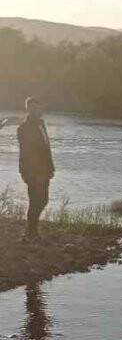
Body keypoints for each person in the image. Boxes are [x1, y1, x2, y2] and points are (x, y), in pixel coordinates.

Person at [16, 98, 55, 238]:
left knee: (43, 200)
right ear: (29, 110)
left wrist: (51, 167)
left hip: (44, 170)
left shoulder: (41, 124)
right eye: (34, 108)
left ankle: (31, 230)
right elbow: (26, 154)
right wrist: (28, 174)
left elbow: (46, 148)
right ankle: (30, 231)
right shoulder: (23, 129)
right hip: (32, 172)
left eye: (39, 108)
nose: (38, 111)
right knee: (35, 200)